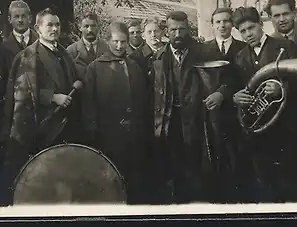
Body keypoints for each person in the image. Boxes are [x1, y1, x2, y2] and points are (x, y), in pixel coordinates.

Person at [231, 6, 297, 203]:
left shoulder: (284, 46)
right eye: (243, 31)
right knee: (266, 182)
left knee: (294, 182)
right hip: (262, 131)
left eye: (251, 28)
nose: (248, 34)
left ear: (261, 24)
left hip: (288, 128)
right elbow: (240, 87)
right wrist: (236, 97)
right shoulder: (240, 56)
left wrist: (283, 90)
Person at [0, 8, 82, 202]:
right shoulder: (28, 57)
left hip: (64, 126)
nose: (54, 29)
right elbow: (22, 94)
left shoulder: (63, 53)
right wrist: (52, 97)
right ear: (38, 27)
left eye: (57, 24)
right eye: (49, 25)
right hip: (41, 128)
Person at [150, 11, 230, 204]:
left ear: (189, 30)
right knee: (175, 169)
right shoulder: (159, 56)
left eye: (182, 29)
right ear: (166, 31)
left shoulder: (205, 51)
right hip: (170, 121)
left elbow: (229, 78)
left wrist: (220, 93)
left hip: (199, 120)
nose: (178, 34)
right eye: (173, 30)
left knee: (201, 168)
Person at [82, 22, 151, 204]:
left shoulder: (135, 67)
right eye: (115, 42)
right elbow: (88, 105)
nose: (119, 46)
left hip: (134, 136)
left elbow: (143, 101)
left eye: (123, 42)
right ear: (107, 41)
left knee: (134, 181)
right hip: (108, 137)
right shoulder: (95, 68)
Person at [202, 7, 246, 201]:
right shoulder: (203, 50)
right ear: (212, 25)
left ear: (232, 25)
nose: (222, 25)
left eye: (226, 21)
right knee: (215, 156)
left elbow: (244, 78)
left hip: (237, 112)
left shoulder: (243, 48)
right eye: (218, 22)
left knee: (237, 156)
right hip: (211, 113)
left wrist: (223, 94)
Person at [0, 0, 38, 93]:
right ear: (9, 19)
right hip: (16, 99)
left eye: (23, 16)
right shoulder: (3, 46)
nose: (20, 20)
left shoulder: (40, 41)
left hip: (39, 96)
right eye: (16, 16)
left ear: (30, 18)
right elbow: (1, 70)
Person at [66, 12, 109, 81]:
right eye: (86, 26)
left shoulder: (108, 48)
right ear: (80, 28)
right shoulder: (71, 51)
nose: (90, 30)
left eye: (93, 26)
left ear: (98, 27)